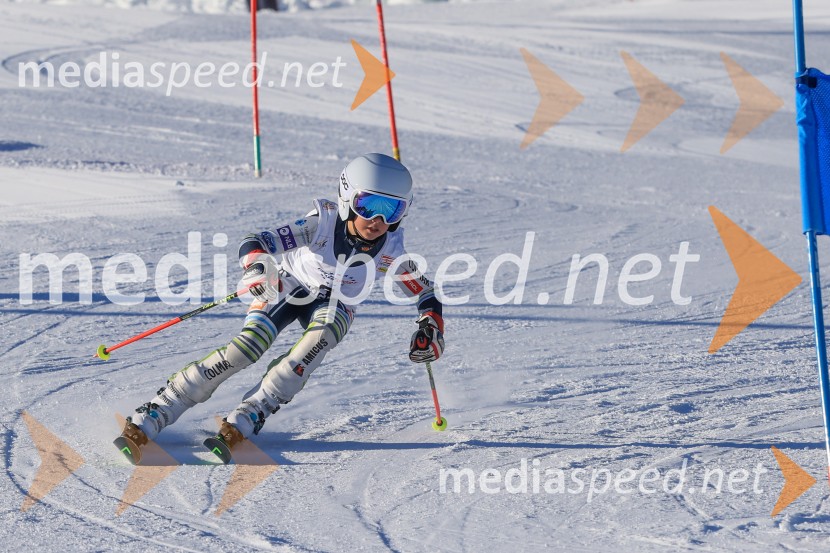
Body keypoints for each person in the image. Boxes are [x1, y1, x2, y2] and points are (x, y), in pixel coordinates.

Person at [115, 153, 445, 464]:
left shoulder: (391, 249)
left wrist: (430, 327)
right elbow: (256, 241)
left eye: (391, 210)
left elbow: (425, 291)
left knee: (319, 340)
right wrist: (259, 267)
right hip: (288, 284)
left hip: (338, 302)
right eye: (368, 204)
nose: (377, 220)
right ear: (347, 198)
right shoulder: (322, 224)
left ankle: (251, 413)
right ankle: (159, 410)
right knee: (245, 349)